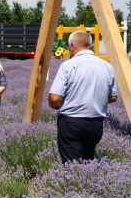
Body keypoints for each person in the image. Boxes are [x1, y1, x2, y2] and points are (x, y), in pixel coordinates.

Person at [48, 30, 118, 164]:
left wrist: (55, 103)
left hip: (71, 122)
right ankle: (87, 185)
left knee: (71, 165)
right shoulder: (106, 66)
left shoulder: (68, 65)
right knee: (88, 161)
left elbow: (54, 99)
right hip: (95, 123)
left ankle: (74, 184)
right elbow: (113, 98)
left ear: (73, 46)